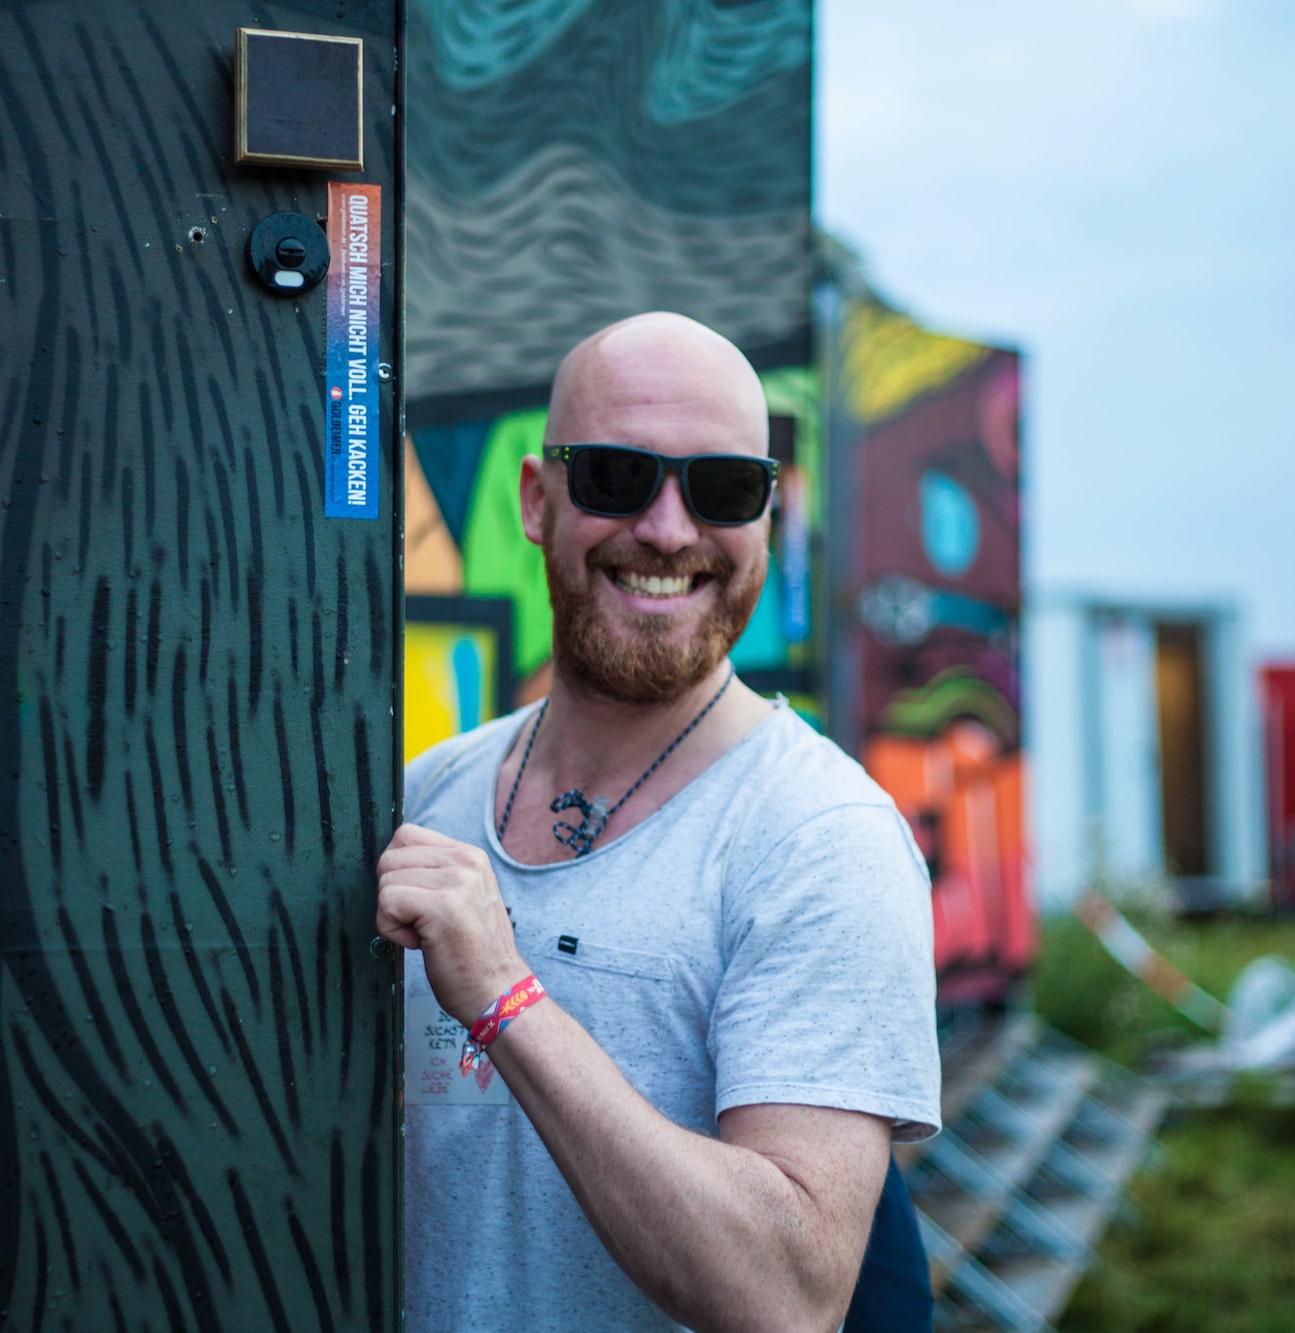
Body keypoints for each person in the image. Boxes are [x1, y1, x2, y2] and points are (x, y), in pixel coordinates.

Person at [377, 313, 942, 1331]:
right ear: (535, 502)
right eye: (615, 476)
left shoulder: (819, 839)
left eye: (722, 486)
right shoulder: (428, 797)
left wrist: (506, 999)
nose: (669, 531)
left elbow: (789, 1292)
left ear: (767, 515)